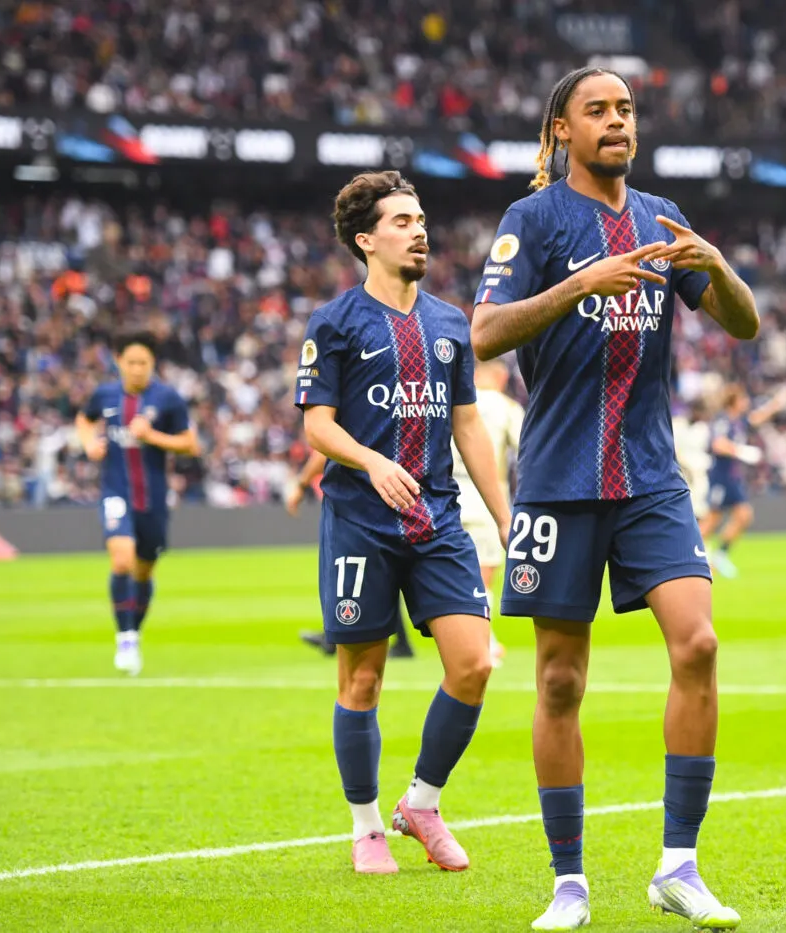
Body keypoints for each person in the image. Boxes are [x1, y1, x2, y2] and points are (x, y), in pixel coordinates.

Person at [470, 66, 758, 932]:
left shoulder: (662, 218)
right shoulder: (534, 220)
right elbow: (480, 331)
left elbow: (741, 323)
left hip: (651, 477)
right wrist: (574, 288)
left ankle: (679, 865)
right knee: (560, 679)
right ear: (561, 129)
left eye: (625, 109)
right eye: (597, 110)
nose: (616, 121)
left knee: (699, 643)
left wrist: (716, 263)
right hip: (558, 480)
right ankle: (568, 881)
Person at [296, 170, 511, 876]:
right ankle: (365, 827)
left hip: (439, 521)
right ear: (367, 239)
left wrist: (509, 518)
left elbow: (469, 423)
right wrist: (372, 462)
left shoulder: (450, 323)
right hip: (360, 520)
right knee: (362, 680)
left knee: (474, 662)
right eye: (401, 221)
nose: (419, 229)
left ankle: (421, 801)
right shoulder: (334, 322)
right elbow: (317, 425)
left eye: (421, 219)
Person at [76, 331, 200, 676]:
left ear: (152, 364)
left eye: (143, 363)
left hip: (154, 500)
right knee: (121, 560)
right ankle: (126, 638)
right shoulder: (104, 395)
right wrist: (89, 444)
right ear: (119, 362)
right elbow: (84, 420)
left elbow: (191, 445)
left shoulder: (168, 398)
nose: (136, 369)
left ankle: (134, 630)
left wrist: (153, 436)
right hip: (116, 492)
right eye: (130, 362)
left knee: (144, 571)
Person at [288, 451, 415, 659]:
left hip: (362, 502)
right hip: (387, 496)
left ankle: (336, 637)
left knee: (352, 568)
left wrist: (302, 484)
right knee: (383, 575)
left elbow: (326, 450)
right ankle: (399, 643)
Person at [451, 358, 525, 668]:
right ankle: (483, 641)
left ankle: (468, 640)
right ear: (501, 375)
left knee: (454, 575)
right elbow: (526, 447)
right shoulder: (506, 407)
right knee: (483, 577)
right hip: (485, 496)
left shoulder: (453, 401)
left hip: (448, 496)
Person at [700, 384, 786, 578]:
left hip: (732, 477)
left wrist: (776, 404)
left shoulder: (738, 421)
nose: (746, 402)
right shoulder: (723, 420)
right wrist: (741, 451)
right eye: (743, 399)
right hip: (721, 475)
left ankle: (719, 555)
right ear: (734, 402)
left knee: (743, 515)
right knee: (712, 519)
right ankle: (695, 557)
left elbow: (757, 418)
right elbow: (718, 444)